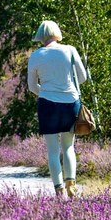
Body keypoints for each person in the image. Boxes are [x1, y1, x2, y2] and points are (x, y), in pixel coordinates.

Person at [27, 20, 88, 199]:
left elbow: (32, 86)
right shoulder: (70, 50)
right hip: (70, 102)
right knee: (69, 147)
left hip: (47, 105)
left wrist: (46, 92)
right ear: (57, 33)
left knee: (52, 150)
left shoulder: (36, 55)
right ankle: (72, 186)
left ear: (40, 36)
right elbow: (83, 77)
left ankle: (59, 191)